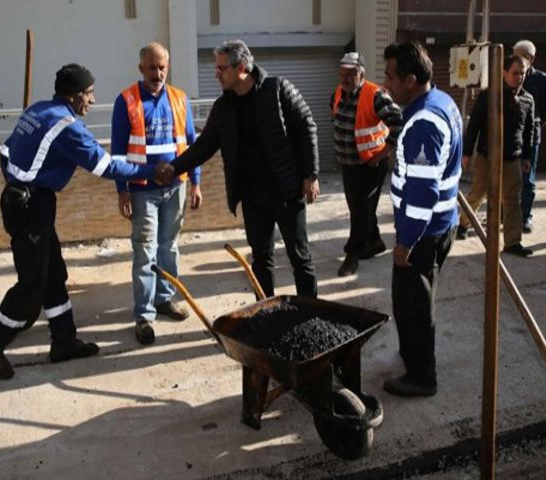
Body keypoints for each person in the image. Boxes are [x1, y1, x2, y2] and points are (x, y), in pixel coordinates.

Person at [0, 64, 158, 379]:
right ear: (72, 96)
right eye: (88, 93)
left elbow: (5, 154)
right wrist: (152, 171)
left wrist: (16, 183)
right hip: (31, 206)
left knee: (54, 273)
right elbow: (105, 167)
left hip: (25, 200)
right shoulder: (67, 126)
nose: (93, 100)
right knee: (32, 285)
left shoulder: (38, 110)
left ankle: (64, 341)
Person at [155, 39, 319, 298]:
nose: (216, 73)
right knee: (261, 259)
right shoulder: (223, 108)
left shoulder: (278, 89)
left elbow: (306, 126)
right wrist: (174, 168)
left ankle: (310, 314)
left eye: (222, 68)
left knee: (300, 256)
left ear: (241, 67)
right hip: (253, 197)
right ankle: (265, 315)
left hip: (287, 190)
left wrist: (311, 174)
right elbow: (204, 146)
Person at [381, 42, 463, 397]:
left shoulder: (424, 121)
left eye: (390, 76)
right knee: (417, 299)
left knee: (412, 305)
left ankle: (421, 377)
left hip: (424, 232)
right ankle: (413, 354)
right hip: (441, 224)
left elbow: (422, 192)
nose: (385, 84)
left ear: (411, 79)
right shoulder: (441, 101)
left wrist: (406, 242)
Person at [111, 43, 202, 345]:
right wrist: (122, 192)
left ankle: (164, 299)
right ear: (141, 69)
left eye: (162, 67)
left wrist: (196, 183)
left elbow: (191, 145)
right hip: (142, 191)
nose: (158, 73)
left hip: (176, 187)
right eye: (152, 67)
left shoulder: (179, 99)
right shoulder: (126, 101)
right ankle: (144, 315)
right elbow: (119, 152)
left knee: (169, 247)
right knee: (145, 251)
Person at [330, 51, 402, 277]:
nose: (345, 78)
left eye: (350, 74)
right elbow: (335, 114)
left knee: (361, 210)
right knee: (358, 207)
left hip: (371, 164)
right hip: (348, 163)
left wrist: (385, 152)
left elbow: (398, 122)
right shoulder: (339, 93)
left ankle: (352, 255)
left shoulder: (375, 94)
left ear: (361, 73)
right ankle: (374, 241)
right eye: (342, 73)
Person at [457, 55, 536, 258]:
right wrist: (466, 153)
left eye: (523, 73)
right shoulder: (490, 96)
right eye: (515, 73)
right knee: (478, 193)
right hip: (487, 156)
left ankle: (512, 242)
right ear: (504, 72)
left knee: (512, 200)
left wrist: (527, 157)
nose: (519, 77)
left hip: (513, 158)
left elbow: (529, 131)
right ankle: (463, 224)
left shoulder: (528, 99)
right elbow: (474, 125)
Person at [513, 40, 546, 233]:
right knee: (510, 178)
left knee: (527, 179)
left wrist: (534, 125)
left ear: (530, 58)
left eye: (519, 56)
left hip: (530, 138)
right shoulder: (510, 75)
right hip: (512, 135)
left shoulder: (542, 79)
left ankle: (525, 217)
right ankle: (508, 216)